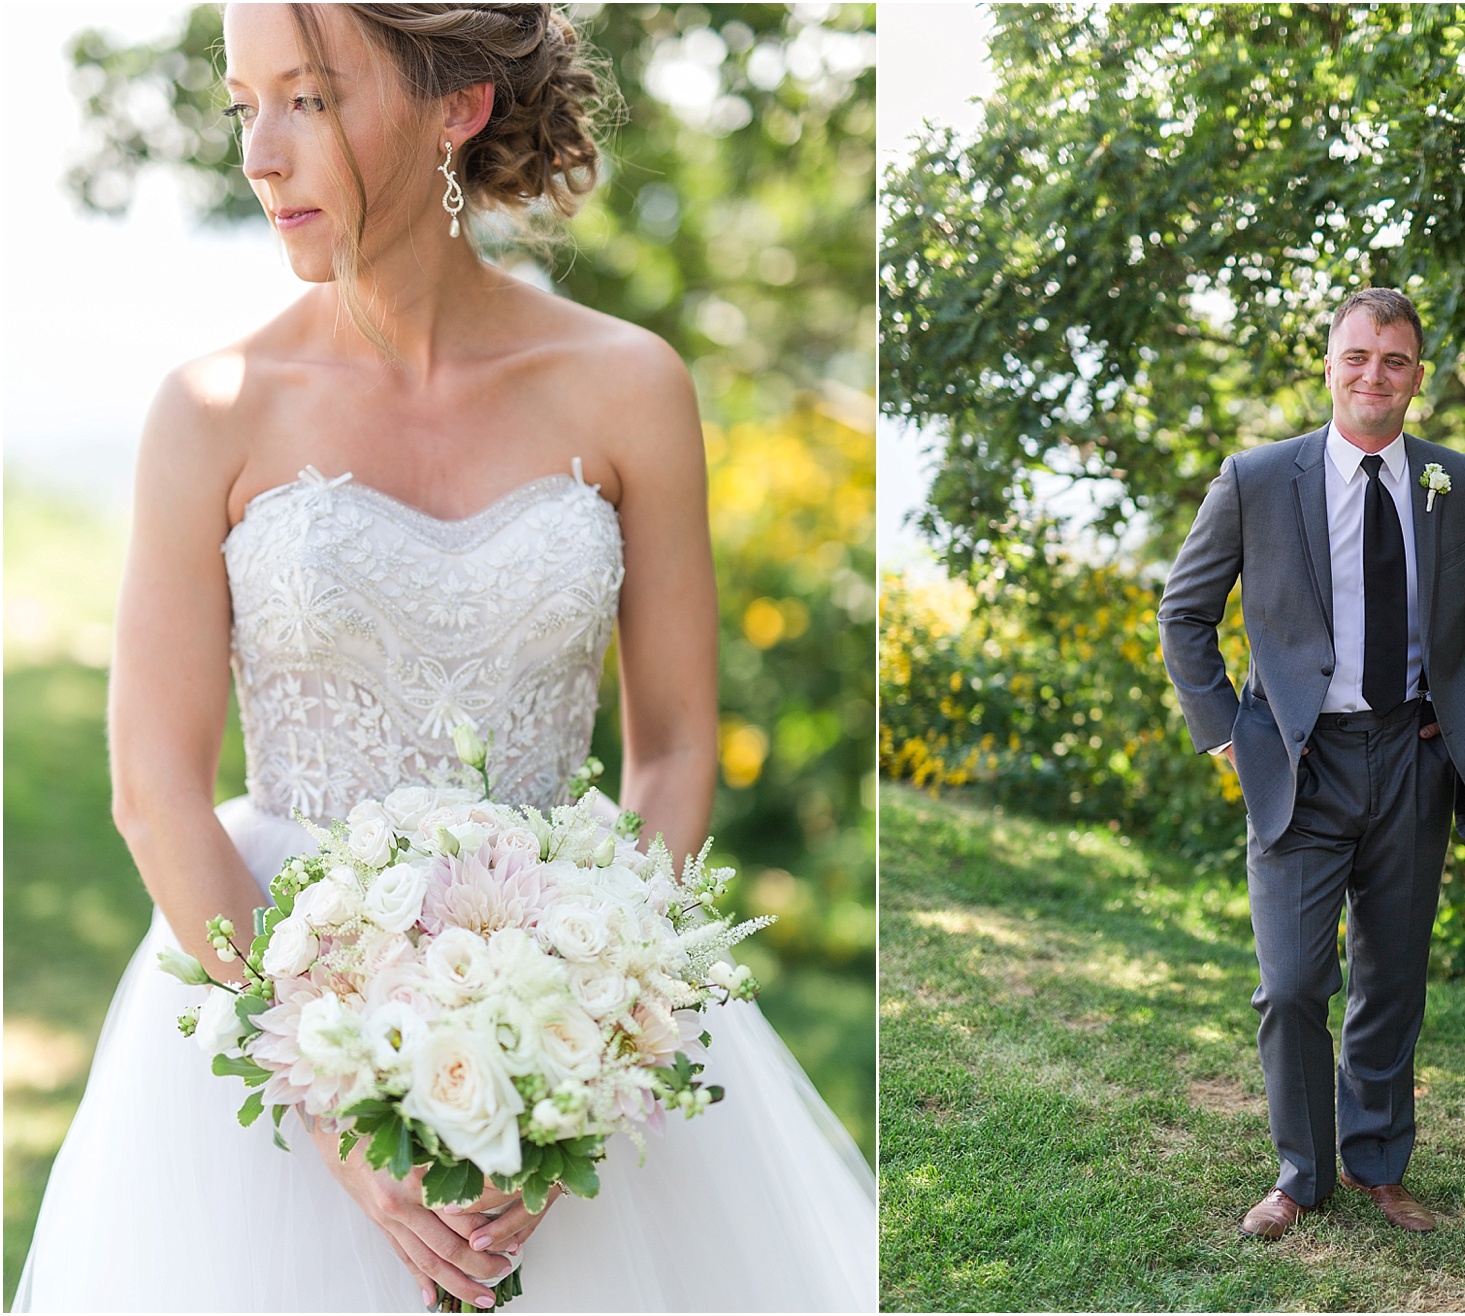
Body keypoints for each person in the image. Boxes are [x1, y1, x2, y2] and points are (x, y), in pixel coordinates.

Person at [15, 4, 876, 1310]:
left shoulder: (629, 385)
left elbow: (674, 748)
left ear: (455, 104)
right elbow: (154, 789)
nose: (259, 153)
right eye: (242, 102)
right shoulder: (210, 412)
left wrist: (576, 1056)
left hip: (569, 1003)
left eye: (306, 97)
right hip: (270, 1018)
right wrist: (336, 1112)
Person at [1157, 287, 1465, 1240]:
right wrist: (1228, 735)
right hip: (1299, 763)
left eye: (1395, 360)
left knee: (1391, 978)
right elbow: (1184, 613)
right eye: (1358, 355)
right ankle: (1298, 1175)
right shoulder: (1255, 478)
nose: (1375, 374)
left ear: (1417, 377)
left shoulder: (1460, 482)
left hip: (1413, 757)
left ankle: (1378, 1165)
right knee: (1290, 984)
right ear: (1328, 365)